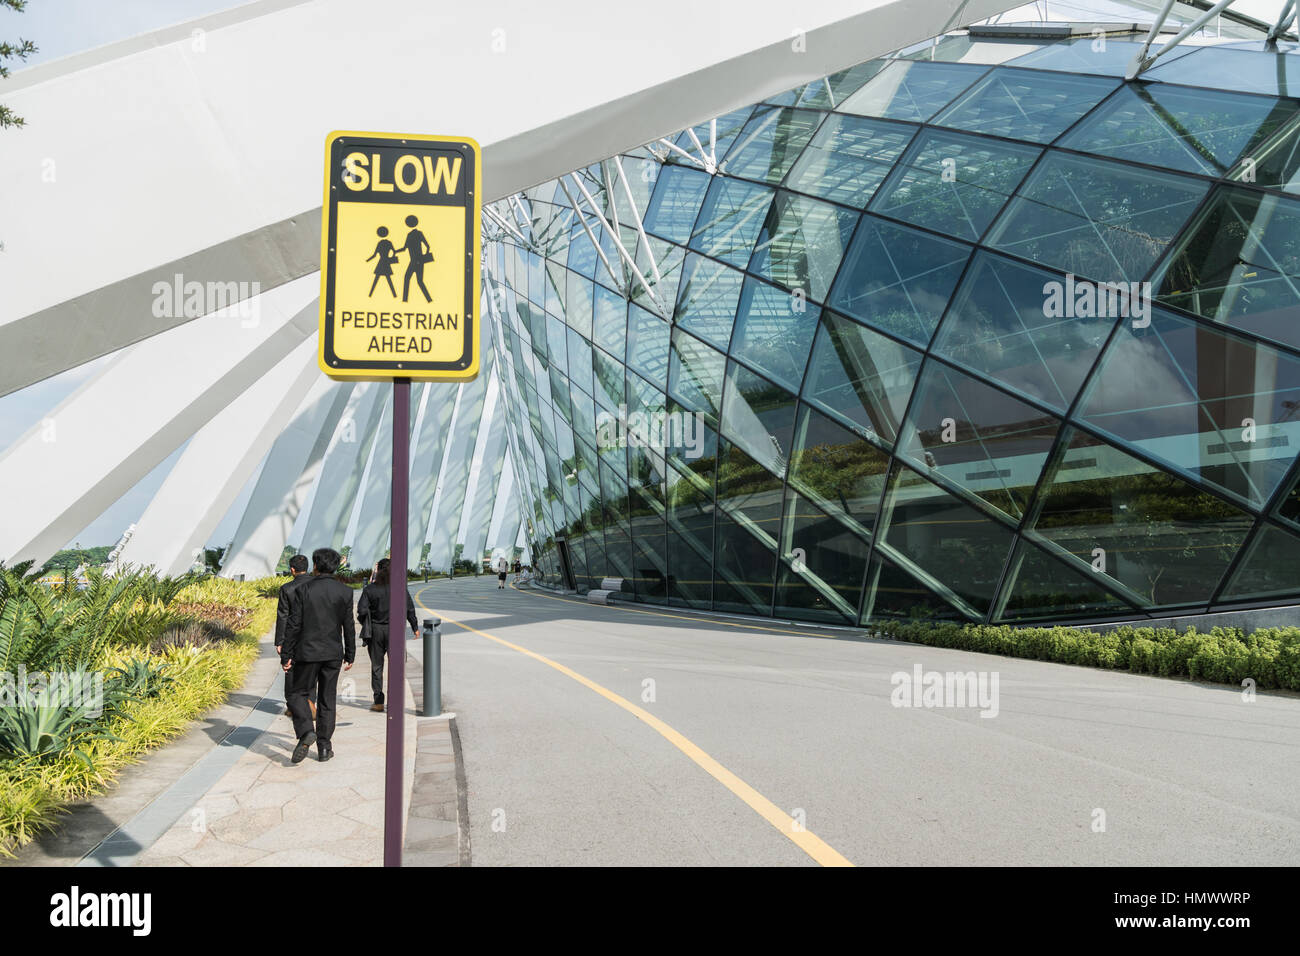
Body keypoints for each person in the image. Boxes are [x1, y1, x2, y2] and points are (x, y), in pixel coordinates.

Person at [281, 548, 355, 763]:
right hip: (333, 653)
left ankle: (306, 731)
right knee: (327, 699)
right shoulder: (345, 591)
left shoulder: (303, 590)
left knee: (296, 693)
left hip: (307, 652)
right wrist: (350, 653)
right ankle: (324, 748)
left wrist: (286, 654)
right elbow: (348, 625)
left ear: (315, 565)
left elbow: (294, 624)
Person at [356, 557, 419, 713]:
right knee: (397, 666)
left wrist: (367, 621)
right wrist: (415, 627)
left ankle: (378, 701)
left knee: (377, 667)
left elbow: (362, 611)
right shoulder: (399, 588)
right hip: (395, 631)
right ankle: (396, 700)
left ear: (378, 570)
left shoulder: (370, 589)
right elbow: (409, 609)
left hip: (376, 631)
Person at [274, 554, 316, 720]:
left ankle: (292, 705)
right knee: (311, 669)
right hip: (314, 634)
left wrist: (280, 641)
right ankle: (310, 701)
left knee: (290, 669)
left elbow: (283, 616)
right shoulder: (316, 586)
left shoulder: (287, 589)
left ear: (292, 569)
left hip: (293, 635)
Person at [398, 214, 433, 303]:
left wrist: (396, 251)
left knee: (413, 279)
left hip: (415, 261)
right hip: (416, 261)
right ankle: (428, 299)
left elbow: (404, 248)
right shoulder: (415, 234)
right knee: (417, 281)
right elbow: (427, 246)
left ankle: (406, 300)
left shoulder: (412, 234)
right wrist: (424, 256)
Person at [366, 226, 399, 297]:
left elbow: (374, 255)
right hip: (386, 262)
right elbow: (394, 251)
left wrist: (368, 260)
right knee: (389, 280)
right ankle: (394, 295)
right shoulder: (389, 243)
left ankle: (370, 294)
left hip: (381, 263)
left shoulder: (380, 243)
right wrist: (391, 257)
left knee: (376, 280)